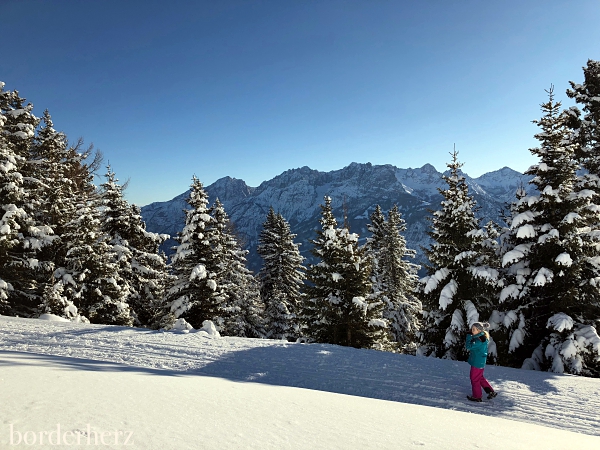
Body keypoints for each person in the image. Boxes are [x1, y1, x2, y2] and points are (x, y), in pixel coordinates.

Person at [465, 322, 497, 402]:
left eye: (473, 329)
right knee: (479, 377)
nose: (471, 331)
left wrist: (468, 336)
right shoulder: (480, 337)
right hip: (479, 362)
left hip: (477, 363)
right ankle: (490, 391)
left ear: (479, 331)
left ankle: (477, 396)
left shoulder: (479, 340)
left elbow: (468, 346)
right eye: (471, 329)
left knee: (474, 379)